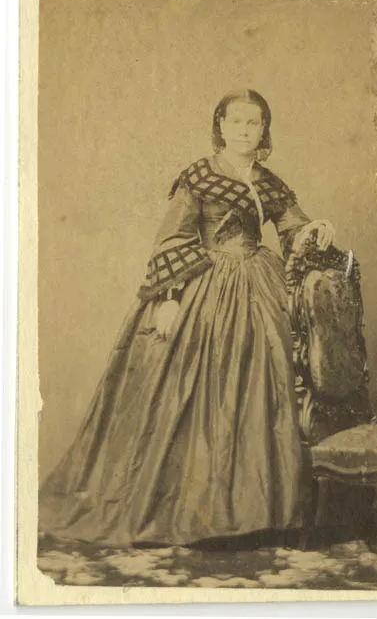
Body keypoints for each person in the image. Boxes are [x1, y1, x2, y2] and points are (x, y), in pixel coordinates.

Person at [39, 89, 335, 548]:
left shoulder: (270, 183)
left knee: (266, 380)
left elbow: (293, 231)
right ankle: (199, 511)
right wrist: (171, 298)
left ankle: (261, 512)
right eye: (235, 122)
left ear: (264, 129)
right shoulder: (199, 176)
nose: (244, 131)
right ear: (220, 126)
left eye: (253, 123)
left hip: (259, 282)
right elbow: (174, 238)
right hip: (204, 285)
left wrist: (314, 229)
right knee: (192, 391)